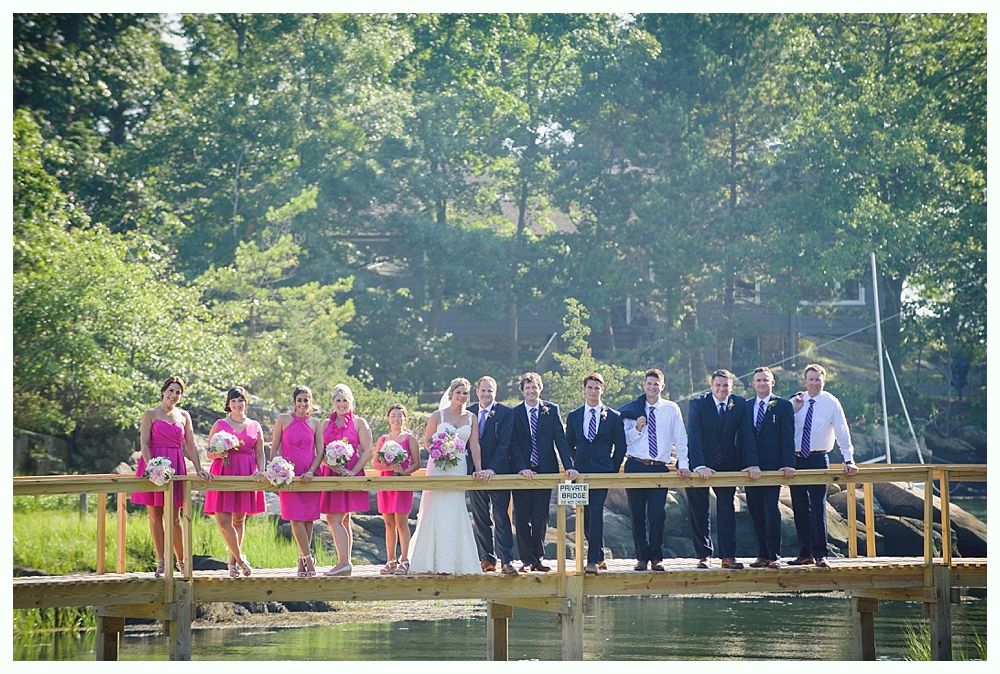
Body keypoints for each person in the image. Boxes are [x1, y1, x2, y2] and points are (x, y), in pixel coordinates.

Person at [407, 377, 487, 575]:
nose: (461, 396)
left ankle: (455, 562)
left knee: (454, 509)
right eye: (458, 392)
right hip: (439, 465)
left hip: (459, 466)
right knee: (436, 508)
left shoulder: (471, 418)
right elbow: (426, 441)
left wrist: (478, 468)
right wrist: (440, 448)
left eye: (465, 393)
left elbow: (474, 445)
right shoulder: (437, 415)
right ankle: (430, 561)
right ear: (451, 394)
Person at [133, 376, 210, 578]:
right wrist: (152, 466)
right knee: (155, 515)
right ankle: (161, 562)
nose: (174, 395)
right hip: (154, 464)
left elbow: (191, 445)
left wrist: (199, 468)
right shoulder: (151, 414)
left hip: (175, 464)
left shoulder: (184, 415)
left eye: (178, 392)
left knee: (174, 518)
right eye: (171, 391)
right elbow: (144, 444)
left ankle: (182, 562)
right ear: (163, 391)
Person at [686, 369, 760, 570]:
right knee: (700, 511)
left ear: (731, 386)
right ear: (711, 386)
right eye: (718, 385)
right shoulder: (697, 403)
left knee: (727, 510)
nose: (721, 389)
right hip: (700, 463)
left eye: (725, 385)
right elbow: (693, 435)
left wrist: (752, 463)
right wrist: (700, 465)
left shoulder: (739, 404)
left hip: (728, 464)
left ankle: (728, 556)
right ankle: (703, 555)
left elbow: (747, 435)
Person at [617, 368, 689, 572]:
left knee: (657, 514)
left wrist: (683, 464)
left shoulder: (671, 408)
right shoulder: (632, 410)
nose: (652, 387)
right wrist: (637, 429)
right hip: (635, 465)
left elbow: (680, 438)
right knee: (637, 514)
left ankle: (657, 556)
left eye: (656, 384)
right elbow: (623, 440)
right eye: (649, 383)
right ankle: (641, 557)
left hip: (659, 467)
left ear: (662, 386)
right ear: (643, 385)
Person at [788, 364, 859, 568]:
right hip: (796, 460)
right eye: (811, 379)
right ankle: (804, 553)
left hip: (818, 459)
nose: (814, 383)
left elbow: (842, 431)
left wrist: (848, 460)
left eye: (818, 379)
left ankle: (821, 554)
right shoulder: (796, 401)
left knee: (818, 506)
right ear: (805, 381)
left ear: (824, 380)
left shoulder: (831, 402)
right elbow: (783, 429)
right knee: (799, 507)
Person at [510, 372, 578, 572]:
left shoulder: (551, 410)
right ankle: (526, 560)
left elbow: (560, 441)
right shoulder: (515, 413)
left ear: (540, 389)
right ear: (523, 391)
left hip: (545, 470)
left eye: (535, 387)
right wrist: (522, 467)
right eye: (528, 388)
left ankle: (538, 558)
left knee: (541, 517)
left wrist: (569, 466)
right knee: (522, 517)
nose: (531, 391)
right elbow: (513, 444)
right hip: (522, 472)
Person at [565, 373, 627, 575]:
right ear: (584, 390)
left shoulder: (614, 417)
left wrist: (612, 468)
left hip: (602, 472)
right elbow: (568, 445)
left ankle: (591, 561)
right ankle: (600, 555)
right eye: (590, 387)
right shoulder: (574, 416)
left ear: (603, 390)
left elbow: (621, 446)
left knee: (596, 514)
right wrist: (575, 462)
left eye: (597, 388)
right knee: (584, 515)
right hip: (579, 474)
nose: (593, 391)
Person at [204, 386, 266, 578]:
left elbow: (260, 452)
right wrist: (218, 454)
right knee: (223, 520)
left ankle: (232, 564)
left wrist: (261, 471)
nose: (238, 404)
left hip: (246, 472)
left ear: (245, 403)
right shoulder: (220, 424)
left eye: (241, 401)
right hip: (223, 472)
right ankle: (241, 559)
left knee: (239, 519)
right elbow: (208, 453)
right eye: (234, 401)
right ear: (228, 404)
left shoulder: (255, 425)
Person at [319, 383, 374, 577]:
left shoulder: (359, 423)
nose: (341, 404)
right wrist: (329, 463)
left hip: (350, 474)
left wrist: (354, 471)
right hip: (331, 474)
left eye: (345, 400)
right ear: (333, 402)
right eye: (338, 400)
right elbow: (320, 450)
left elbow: (367, 449)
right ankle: (346, 561)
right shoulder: (325, 424)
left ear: (351, 402)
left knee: (334, 518)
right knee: (342, 518)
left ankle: (343, 563)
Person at [270, 385, 324, 577]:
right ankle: (309, 559)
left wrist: (311, 471)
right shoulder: (284, 419)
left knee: (309, 519)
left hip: (309, 477)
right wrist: (277, 470)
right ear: (294, 402)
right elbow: (274, 447)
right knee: (295, 517)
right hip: (289, 477)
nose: (303, 403)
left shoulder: (316, 423)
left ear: (311, 402)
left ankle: (301, 562)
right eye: (299, 400)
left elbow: (320, 452)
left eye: (306, 400)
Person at [745, 367, 795, 569]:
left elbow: (787, 436)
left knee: (770, 510)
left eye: (765, 380)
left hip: (773, 467)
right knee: (755, 510)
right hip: (750, 468)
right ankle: (762, 554)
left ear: (772, 382)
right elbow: (744, 438)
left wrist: (789, 463)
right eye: (758, 380)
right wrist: (747, 462)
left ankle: (774, 555)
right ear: (753, 383)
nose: (762, 383)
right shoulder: (746, 406)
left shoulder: (783, 406)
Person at [467, 375, 517, 574]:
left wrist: (492, 469)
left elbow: (505, 444)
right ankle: (487, 559)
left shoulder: (505, 413)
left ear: (495, 393)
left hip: (498, 472)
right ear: (477, 391)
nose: (487, 394)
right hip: (474, 474)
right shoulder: (468, 412)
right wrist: (474, 469)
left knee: (501, 516)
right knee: (480, 517)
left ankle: (507, 560)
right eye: (484, 390)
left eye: (491, 391)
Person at [371, 404, 420, 576]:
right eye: (393, 415)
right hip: (386, 483)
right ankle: (390, 560)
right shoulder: (383, 440)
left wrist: (404, 471)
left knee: (401, 522)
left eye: (400, 416)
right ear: (388, 418)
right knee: (389, 523)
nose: (396, 419)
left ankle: (404, 560)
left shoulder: (409, 439)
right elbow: (375, 464)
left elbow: (417, 463)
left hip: (402, 484)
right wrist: (390, 465)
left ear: (405, 418)